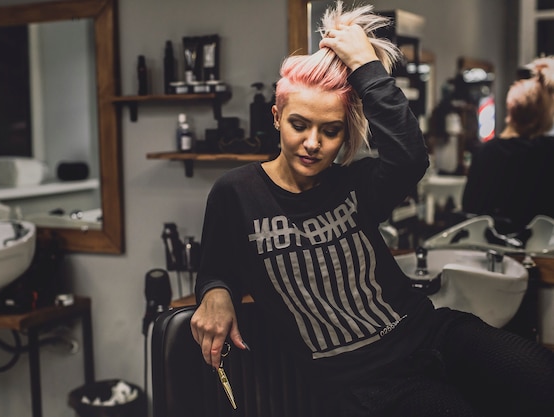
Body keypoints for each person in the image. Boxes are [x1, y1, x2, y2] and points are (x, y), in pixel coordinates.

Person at [190, 2, 554, 416]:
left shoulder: (353, 184)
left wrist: (365, 63)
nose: (313, 143)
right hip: (365, 382)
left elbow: (410, 156)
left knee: (541, 375)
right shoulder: (235, 193)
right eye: (299, 124)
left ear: (345, 135)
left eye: (330, 131)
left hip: (429, 333)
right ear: (276, 117)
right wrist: (215, 292)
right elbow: (216, 265)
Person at [462, 55, 554, 234]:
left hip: (490, 251)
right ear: (543, 118)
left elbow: (470, 209)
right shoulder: (546, 153)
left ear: (511, 110)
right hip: (539, 253)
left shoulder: (485, 153)